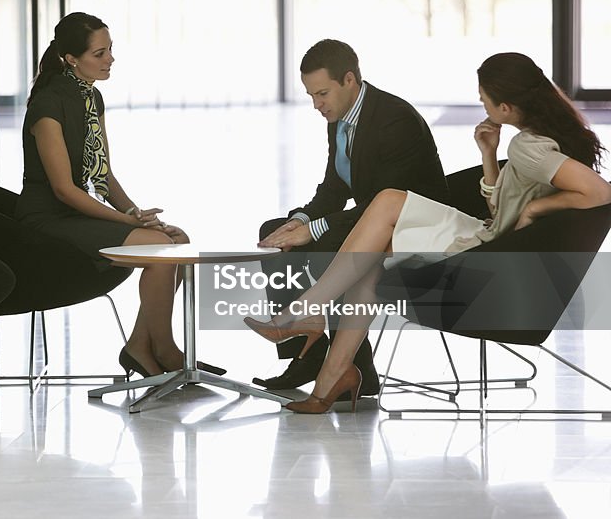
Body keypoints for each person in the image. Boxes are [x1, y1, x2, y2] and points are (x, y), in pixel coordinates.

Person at [249, 52, 611, 413]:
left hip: (489, 253)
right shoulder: (537, 139)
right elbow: (503, 211)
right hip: (493, 239)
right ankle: (331, 380)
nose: (481, 105)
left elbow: (601, 193)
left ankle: (308, 313)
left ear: (504, 105)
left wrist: (537, 208)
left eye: (483, 99)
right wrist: (489, 154)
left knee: (388, 201)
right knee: (372, 260)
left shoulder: (527, 146)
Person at [16, 11, 223, 378]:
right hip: (47, 220)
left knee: (177, 239)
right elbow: (64, 190)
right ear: (71, 59)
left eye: (110, 50)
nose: (110, 59)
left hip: (80, 214)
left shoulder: (90, 99)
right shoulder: (48, 106)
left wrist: (137, 213)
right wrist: (125, 221)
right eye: (99, 53)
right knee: (160, 250)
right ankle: (167, 352)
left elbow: (103, 174)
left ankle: (140, 347)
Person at [252, 39, 448, 396]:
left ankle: (355, 366)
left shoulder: (394, 120)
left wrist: (314, 230)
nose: (317, 104)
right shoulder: (340, 117)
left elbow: (381, 206)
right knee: (276, 232)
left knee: (332, 244)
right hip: (371, 221)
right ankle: (306, 355)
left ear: (349, 80)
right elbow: (334, 189)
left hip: (408, 231)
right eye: (311, 95)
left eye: (322, 93)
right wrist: (300, 220)